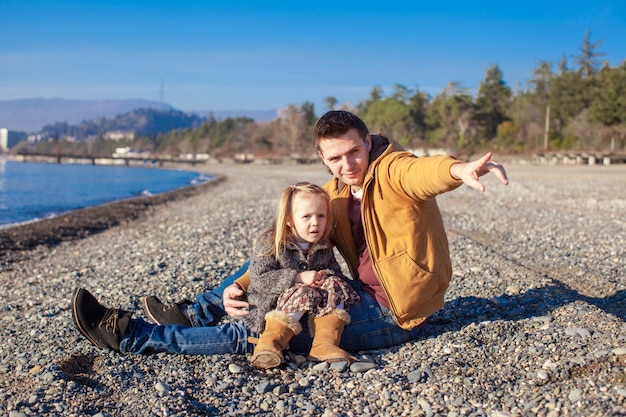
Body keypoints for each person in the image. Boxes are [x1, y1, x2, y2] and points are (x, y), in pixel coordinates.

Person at [72, 110, 508, 357]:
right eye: (334, 158)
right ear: (323, 158)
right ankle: (201, 309)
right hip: (354, 291)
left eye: (354, 152)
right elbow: (285, 248)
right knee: (284, 250)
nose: (347, 165)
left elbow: (422, 172)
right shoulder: (335, 194)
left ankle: (135, 336)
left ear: (367, 142)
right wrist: (239, 286)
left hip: (393, 313)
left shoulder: (392, 171)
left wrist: (458, 169)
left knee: (260, 331)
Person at [245, 182, 359, 369]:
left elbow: (334, 271)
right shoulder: (272, 242)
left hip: (312, 305)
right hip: (272, 305)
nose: (315, 222)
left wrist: (323, 278)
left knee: (336, 283)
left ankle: (324, 344)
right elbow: (260, 280)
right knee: (302, 290)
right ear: (290, 220)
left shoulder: (323, 245)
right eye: (306, 217)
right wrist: (299, 278)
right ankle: (270, 344)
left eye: (321, 216)